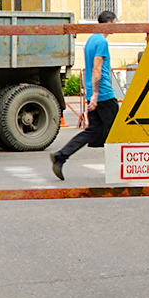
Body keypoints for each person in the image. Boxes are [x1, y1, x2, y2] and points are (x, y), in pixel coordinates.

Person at [51, 10, 117, 179]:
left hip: (95, 93)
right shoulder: (101, 41)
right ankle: (119, 170)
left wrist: (90, 93)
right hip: (104, 95)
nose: (116, 27)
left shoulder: (91, 40)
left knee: (93, 131)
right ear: (109, 23)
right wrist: (95, 94)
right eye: (115, 24)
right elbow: (96, 68)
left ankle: (61, 155)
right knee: (118, 132)